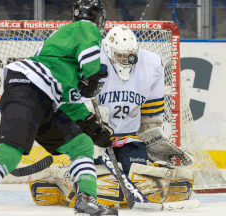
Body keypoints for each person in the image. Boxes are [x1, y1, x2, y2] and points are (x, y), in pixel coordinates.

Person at [0, 0, 119, 215]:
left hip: (44, 98)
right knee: (11, 150)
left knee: (81, 143)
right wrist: (93, 74)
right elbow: (90, 63)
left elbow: (66, 96)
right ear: (98, 18)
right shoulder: (87, 28)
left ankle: (86, 201)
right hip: (27, 89)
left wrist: (91, 126)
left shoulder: (60, 40)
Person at [29, 25, 195, 207]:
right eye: (120, 55)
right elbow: (73, 105)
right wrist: (90, 132)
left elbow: (151, 114)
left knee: (137, 175)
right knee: (91, 174)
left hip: (129, 139)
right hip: (93, 139)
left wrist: (152, 140)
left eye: (130, 56)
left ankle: (73, 180)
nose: (126, 60)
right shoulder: (90, 61)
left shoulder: (152, 65)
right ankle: (57, 176)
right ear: (107, 50)